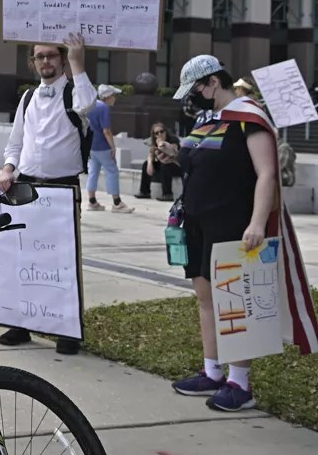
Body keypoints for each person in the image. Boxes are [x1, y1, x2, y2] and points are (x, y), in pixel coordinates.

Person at [157, 55, 317, 411]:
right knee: (205, 296)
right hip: (197, 221)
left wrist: (257, 223)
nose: (193, 97)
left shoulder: (249, 118)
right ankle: (212, 370)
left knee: (236, 302)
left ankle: (239, 382)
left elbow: (266, 174)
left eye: (196, 89)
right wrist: (173, 153)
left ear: (213, 82)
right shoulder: (206, 120)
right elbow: (199, 158)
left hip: (233, 223)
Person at [0, 33, 95, 355]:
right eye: (40, 57)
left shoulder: (75, 92)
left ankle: (67, 329)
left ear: (62, 58)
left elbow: (88, 104)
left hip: (62, 186)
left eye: (52, 56)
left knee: (63, 259)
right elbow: (16, 142)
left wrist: (78, 63)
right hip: (27, 185)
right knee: (26, 256)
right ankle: (24, 322)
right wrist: (8, 169)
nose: (45, 62)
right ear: (33, 61)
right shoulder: (27, 98)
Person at [85, 84, 135, 214]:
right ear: (108, 96)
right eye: (114, 96)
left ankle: (91, 201)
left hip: (91, 145)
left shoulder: (90, 105)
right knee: (112, 171)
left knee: (93, 172)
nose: (115, 99)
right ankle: (117, 202)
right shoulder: (104, 108)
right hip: (102, 146)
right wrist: (113, 147)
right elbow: (106, 130)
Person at [135, 122, 180, 201]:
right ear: (154, 135)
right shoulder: (154, 142)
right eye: (156, 133)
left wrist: (161, 144)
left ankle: (168, 194)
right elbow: (150, 155)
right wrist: (149, 164)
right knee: (146, 164)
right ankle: (145, 192)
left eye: (161, 131)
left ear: (165, 131)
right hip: (163, 166)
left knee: (165, 163)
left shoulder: (173, 139)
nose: (159, 134)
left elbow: (173, 151)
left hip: (175, 165)